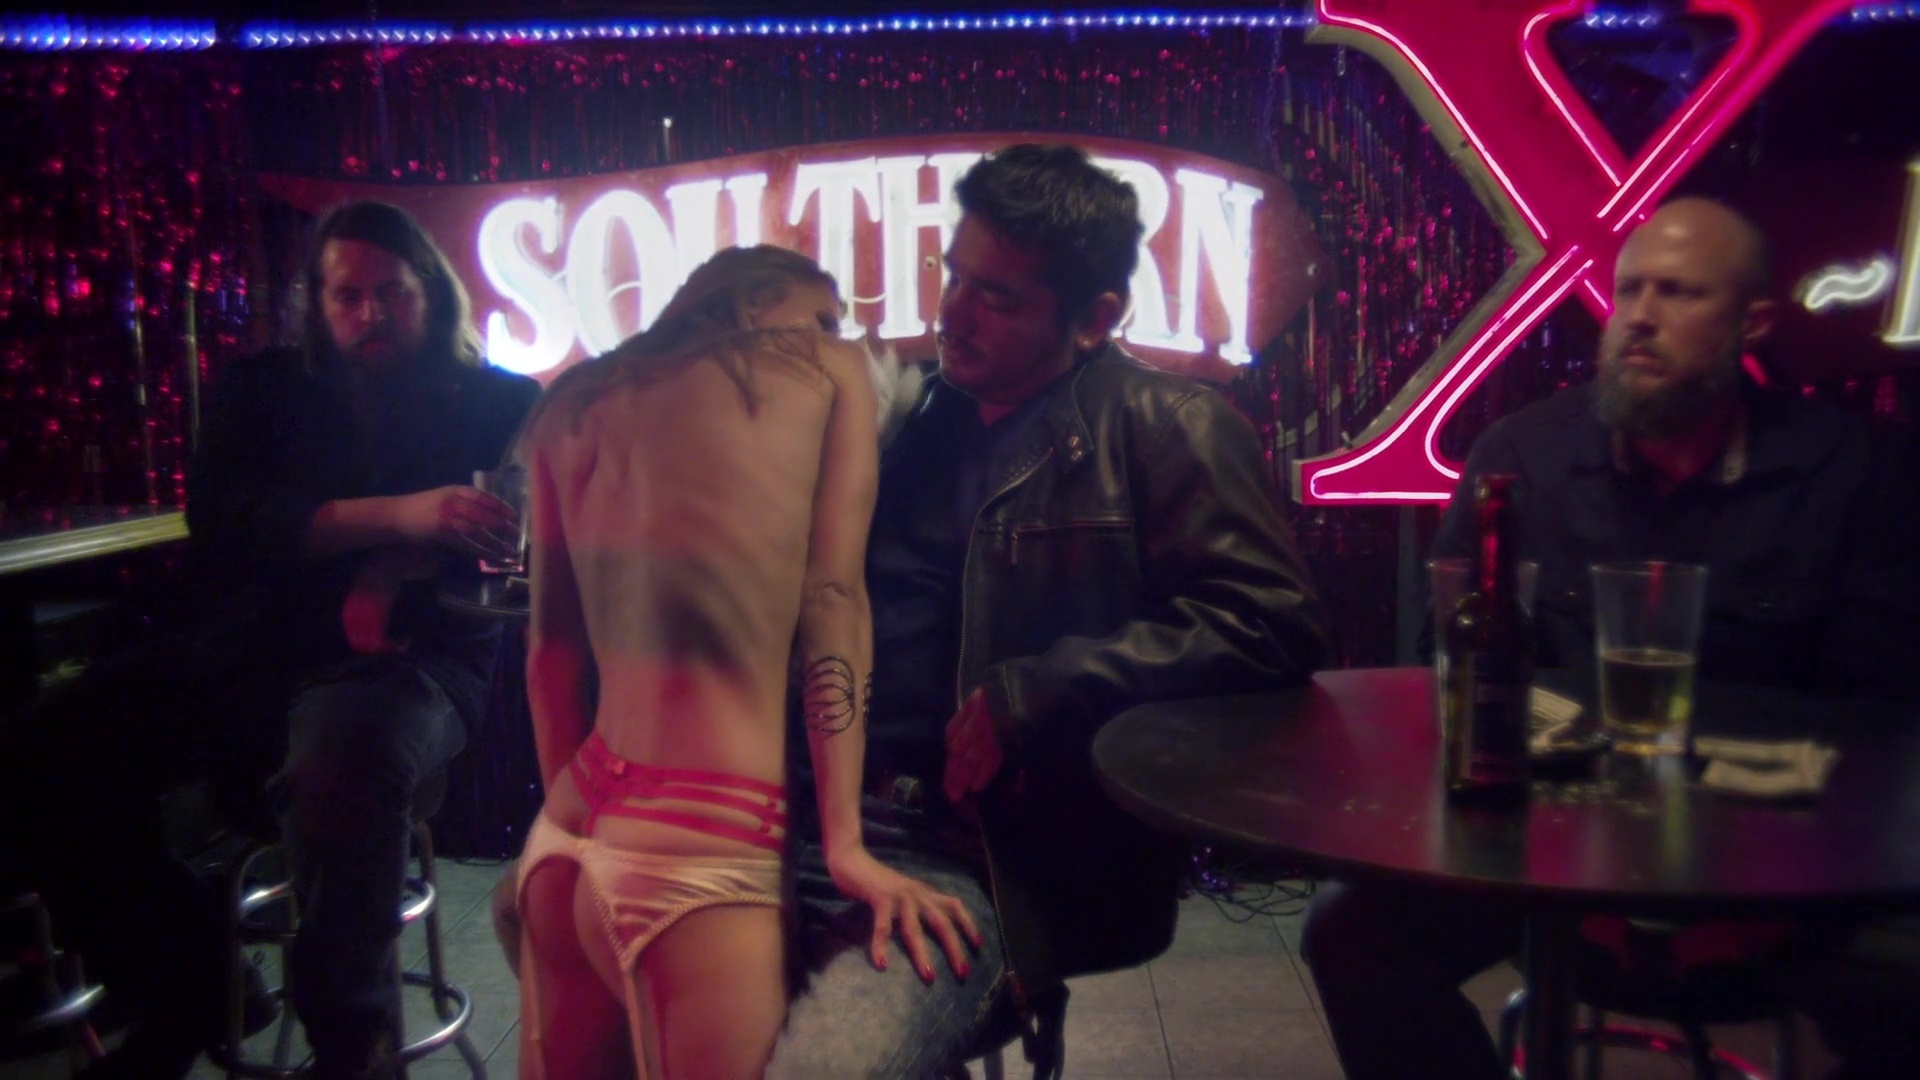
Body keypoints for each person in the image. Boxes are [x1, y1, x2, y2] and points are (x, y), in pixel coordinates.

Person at [1301, 197, 1920, 1080]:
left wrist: (1757, 890)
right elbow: (1447, 681)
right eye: (1630, 290)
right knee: (1349, 929)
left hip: (1782, 892)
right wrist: (1560, 869)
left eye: (1679, 293)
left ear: (1753, 322)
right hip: (1553, 878)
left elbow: (1882, 734)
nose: (1639, 316)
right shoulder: (1526, 458)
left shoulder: (1853, 472)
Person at [765, 143, 1330, 1078]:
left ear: (1094, 319)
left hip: (977, 856)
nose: (952, 313)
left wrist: (1044, 690)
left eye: (997, 297)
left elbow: (1271, 621)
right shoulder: (909, 415)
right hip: (802, 818)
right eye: (954, 275)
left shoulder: (1165, 425)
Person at [0, 201, 541, 1080]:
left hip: (412, 660)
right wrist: (402, 518)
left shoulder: (497, 398)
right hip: (249, 651)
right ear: (316, 304)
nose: (370, 312)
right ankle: (189, 979)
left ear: (433, 296)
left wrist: (382, 569)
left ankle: (354, 1051)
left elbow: (495, 531)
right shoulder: (262, 388)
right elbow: (225, 521)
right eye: (348, 295)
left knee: (342, 763)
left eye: (393, 293)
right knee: (36, 752)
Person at [509, 245, 979, 1079]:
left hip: (565, 835)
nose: (838, 335)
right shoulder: (828, 371)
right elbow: (833, 600)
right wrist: (845, 844)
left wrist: (577, 832)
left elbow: (550, 654)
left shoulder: (573, 401)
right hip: (706, 835)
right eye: (824, 316)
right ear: (753, 304)